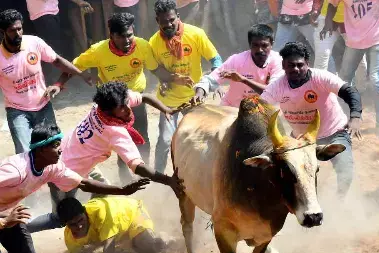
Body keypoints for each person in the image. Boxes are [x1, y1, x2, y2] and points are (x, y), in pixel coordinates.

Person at [0, 123, 149, 253]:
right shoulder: (15, 170)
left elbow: (83, 183)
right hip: (5, 217)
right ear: (41, 149)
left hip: (8, 215)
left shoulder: (52, 167)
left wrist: (122, 190)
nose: (60, 150)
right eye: (55, 146)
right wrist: (4, 220)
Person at [27, 82, 183, 233]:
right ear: (109, 111)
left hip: (81, 159)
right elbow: (138, 167)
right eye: (121, 108)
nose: (128, 109)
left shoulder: (104, 104)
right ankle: (18, 229)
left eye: (126, 103)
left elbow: (145, 97)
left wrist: (165, 109)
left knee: (103, 194)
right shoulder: (114, 132)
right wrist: (169, 180)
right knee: (60, 219)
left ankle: (93, 228)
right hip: (64, 172)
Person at [56, 12, 170, 183]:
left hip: (136, 99)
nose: (127, 40)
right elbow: (73, 65)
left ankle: (143, 171)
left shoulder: (143, 46)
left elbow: (155, 69)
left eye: (130, 35)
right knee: (119, 141)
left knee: (143, 137)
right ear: (112, 36)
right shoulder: (98, 51)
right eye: (121, 37)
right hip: (112, 107)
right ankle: (124, 175)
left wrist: (169, 79)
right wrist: (59, 84)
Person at [261, 42, 362, 198]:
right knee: (291, 175)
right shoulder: (276, 86)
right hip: (301, 141)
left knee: (345, 172)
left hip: (335, 133)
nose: (296, 69)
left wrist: (355, 117)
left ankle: (339, 203)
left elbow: (350, 92)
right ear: (283, 65)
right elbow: (261, 109)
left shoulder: (320, 77)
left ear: (307, 63)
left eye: (300, 65)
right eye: (291, 65)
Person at [0, 9, 92, 155]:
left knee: (54, 148)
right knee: (25, 153)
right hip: (17, 112)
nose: (18, 34)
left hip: (43, 105)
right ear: (2, 31)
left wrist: (81, 74)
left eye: (19, 28)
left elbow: (56, 61)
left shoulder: (33, 42)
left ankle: (56, 177)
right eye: (12, 30)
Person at [150, 0, 223, 173]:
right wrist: (166, 82)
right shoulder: (153, 42)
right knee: (165, 140)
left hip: (194, 98)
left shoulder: (196, 34)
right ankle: (158, 178)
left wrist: (214, 80)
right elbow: (156, 69)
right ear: (157, 21)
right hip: (169, 102)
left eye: (171, 20)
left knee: (199, 138)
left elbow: (216, 60)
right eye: (163, 21)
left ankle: (200, 173)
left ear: (178, 16)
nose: (168, 24)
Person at [324, 0, 379, 137]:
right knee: (344, 79)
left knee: (375, 80)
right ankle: (344, 121)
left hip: (378, 39)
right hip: (354, 41)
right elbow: (332, 4)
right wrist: (327, 23)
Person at [193, 24, 283, 107]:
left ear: (272, 44)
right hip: (232, 108)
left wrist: (243, 79)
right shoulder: (237, 60)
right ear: (249, 45)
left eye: (264, 45)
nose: (260, 50)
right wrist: (200, 92)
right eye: (255, 45)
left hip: (262, 110)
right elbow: (211, 79)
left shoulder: (277, 61)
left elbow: (272, 92)